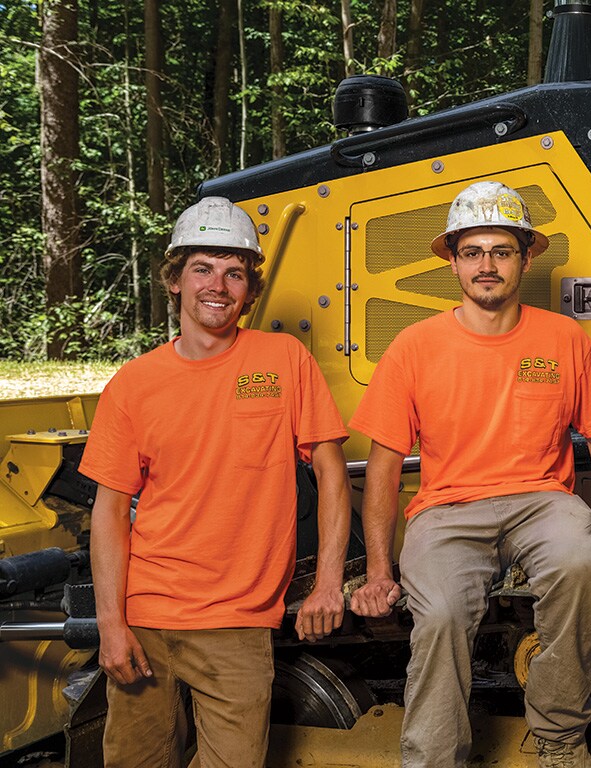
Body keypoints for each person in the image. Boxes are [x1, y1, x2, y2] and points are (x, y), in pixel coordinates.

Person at [348, 181, 591, 768]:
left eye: (501, 251)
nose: (486, 266)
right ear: (455, 261)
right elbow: (383, 466)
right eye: (473, 252)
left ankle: (559, 739)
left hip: (543, 500)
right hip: (446, 510)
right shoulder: (414, 346)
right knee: (437, 614)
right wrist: (379, 570)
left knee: (579, 565)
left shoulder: (563, 338)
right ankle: (434, 759)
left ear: (526, 257)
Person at [83, 196, 351, 767]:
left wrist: (328, 582)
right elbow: (109, 510)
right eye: (202, 268)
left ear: (251, 289)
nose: (219, 285)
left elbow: (331, 472)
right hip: (145, 617)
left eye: (235, 273)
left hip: (238, 623)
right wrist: (111, 624)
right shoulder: (134, 385)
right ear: (175, 280)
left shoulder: (283, 360)